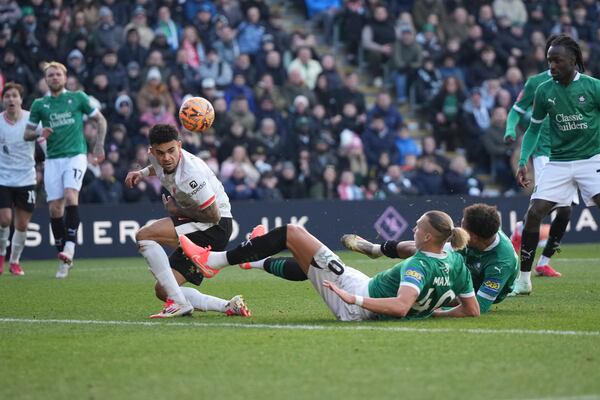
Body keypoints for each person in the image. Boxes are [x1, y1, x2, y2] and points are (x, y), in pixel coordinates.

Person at [179, 211, 480, 320]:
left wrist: (355, 299)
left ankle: (213, 261)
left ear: (428, 237)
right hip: (365, 285)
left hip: (356, 301)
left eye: (417, 227)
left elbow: (401, 306)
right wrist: (431, 311)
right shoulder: (454, 260)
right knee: (309, 261)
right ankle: (256, 259)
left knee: (292, 233)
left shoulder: (419, 266)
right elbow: (471, 309)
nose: (413, 229)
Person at [124, 124, 250, 319]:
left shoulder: (190, 174)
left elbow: (213, 215)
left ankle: (178, 303)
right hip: (200, 221)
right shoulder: (158, 158)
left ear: (180, 146)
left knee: (144, 235)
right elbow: (156, 167)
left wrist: (177, 210)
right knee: (163, 290)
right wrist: (141, 173)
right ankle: (228, 306)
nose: (166, 158)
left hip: (214, 226)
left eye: (171, 151)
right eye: (160, 153)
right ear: (152, 152)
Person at [513, 34, 600, 295]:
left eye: (557, 61)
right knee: (533, 214)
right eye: (549, 60)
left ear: (573, 60)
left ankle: (544, 263)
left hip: (591, 159)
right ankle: (523, 280)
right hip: (559, 162)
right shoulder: (544, 90)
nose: (551, 66)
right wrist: (522, 160)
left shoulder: (593, 87)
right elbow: (532, 129)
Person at [341, 203, 518, 313]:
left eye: (463, 228)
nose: (459, 230)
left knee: (432, 279)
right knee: (429, 248)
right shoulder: (479, 232)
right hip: (464, 271)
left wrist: (435, 309)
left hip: (476, 288)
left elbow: (479, 306)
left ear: (476, 238)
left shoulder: (501, 263)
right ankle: (376, 249)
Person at [24, 62, 107, 279]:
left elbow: (100, 120)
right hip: (53, 160)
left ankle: (70, 247)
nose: (54, 78)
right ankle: (63, 256)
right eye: (50, 75)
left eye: (57, 74)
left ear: (65, 76)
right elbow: (27, 134)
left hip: (76, 156)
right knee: (54, 210)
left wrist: (98, 145)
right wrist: (41, 131)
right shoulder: (39, 104)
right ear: (46, 79)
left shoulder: (78, 97)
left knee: (71, 195)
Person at [504, 35, 574, 279]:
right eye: (552, 58)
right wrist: (510, 129)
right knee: (549, 208)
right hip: (545, 153)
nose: (556, 63)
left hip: (571, 154)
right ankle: (523, 238)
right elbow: (515, 111)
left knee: (565, 212)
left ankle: (542, 261)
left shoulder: (577, 84)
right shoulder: (536, 83)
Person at [0, 83, 42, 276]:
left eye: (14, 95)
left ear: (20, 100)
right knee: (5, 219)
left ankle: (14, 261)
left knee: (22, 225)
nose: (10, 99)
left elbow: (44, 141)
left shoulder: (31, 120)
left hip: (26, 178)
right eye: (7, 96)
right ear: (3, 100)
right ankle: (1, 256)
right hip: (3, 179)